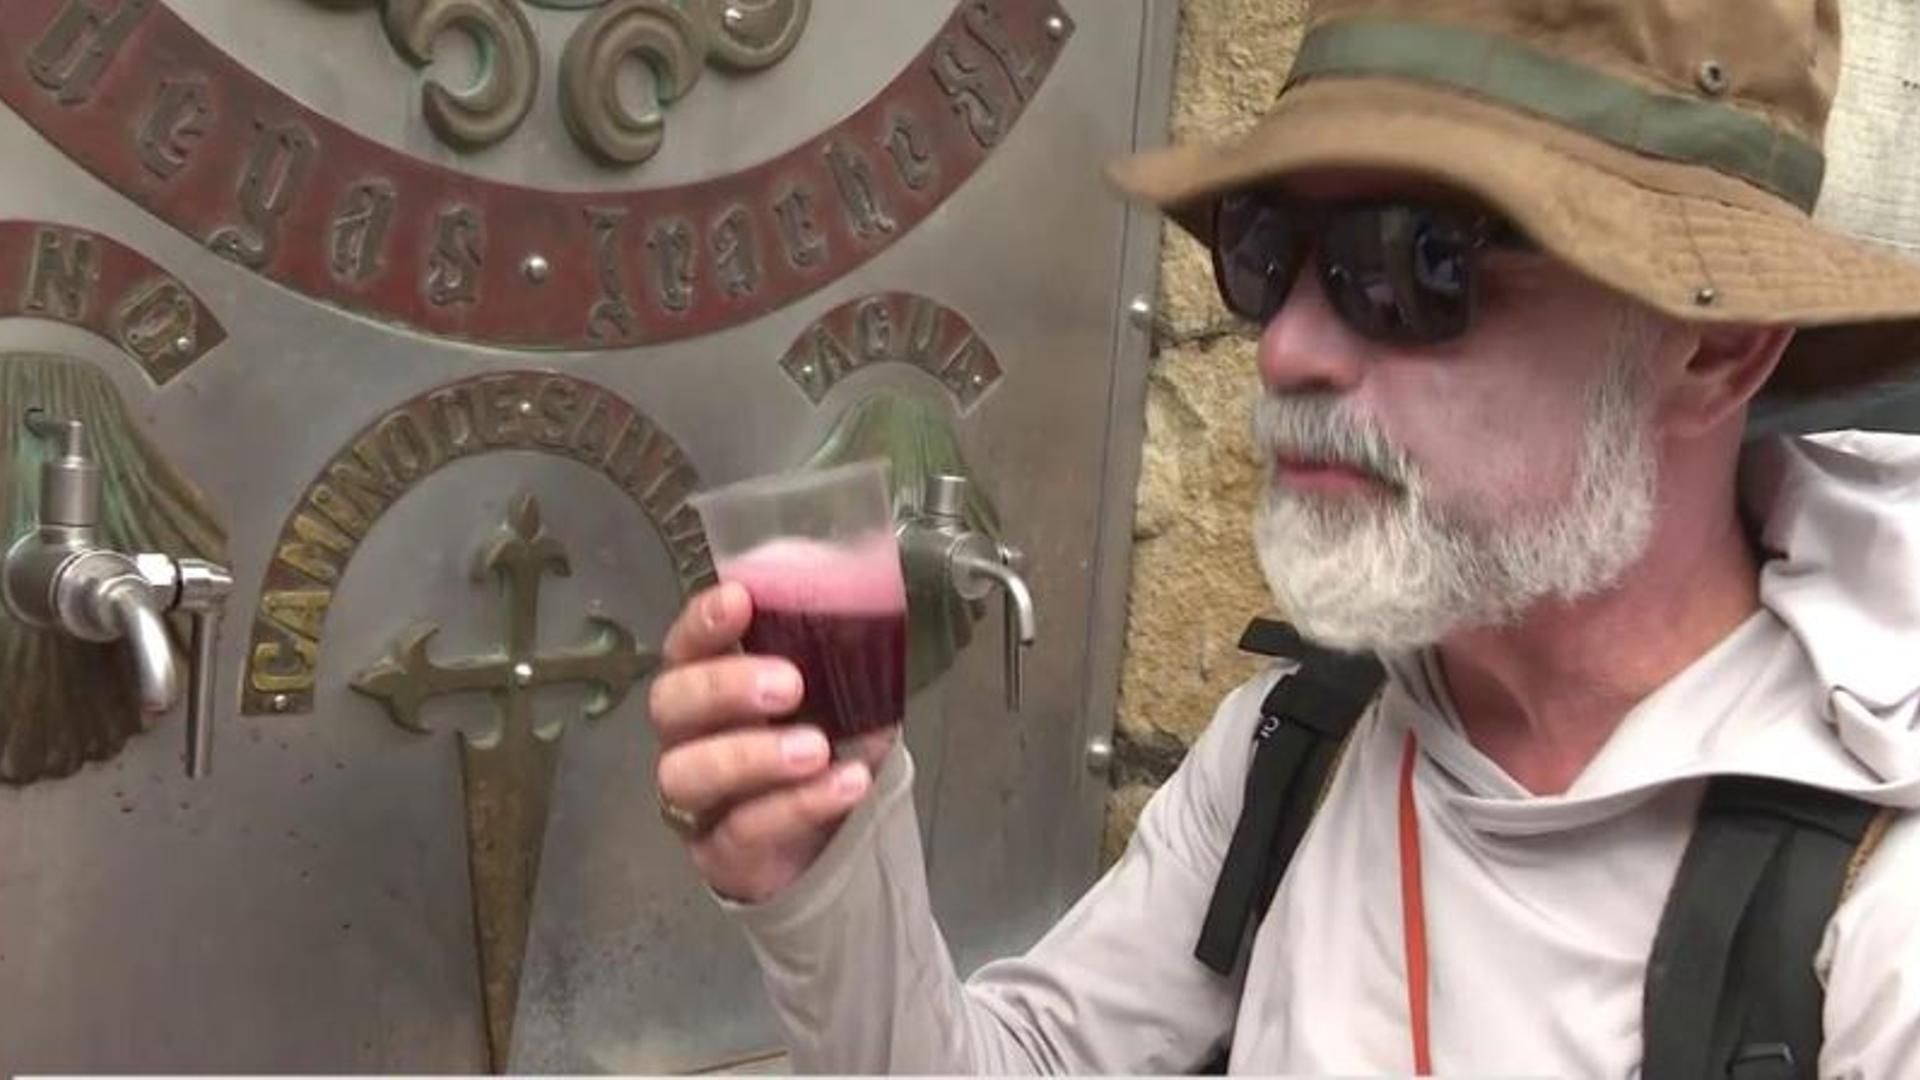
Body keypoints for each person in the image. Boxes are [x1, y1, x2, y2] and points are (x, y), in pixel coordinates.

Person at [646, 0, 1920, 1072]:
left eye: (1415, 263)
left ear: (1712, 344)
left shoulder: (1879, 913)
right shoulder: (1298, 745)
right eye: (1269, 254)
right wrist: (828, 862)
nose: (1289, 347)